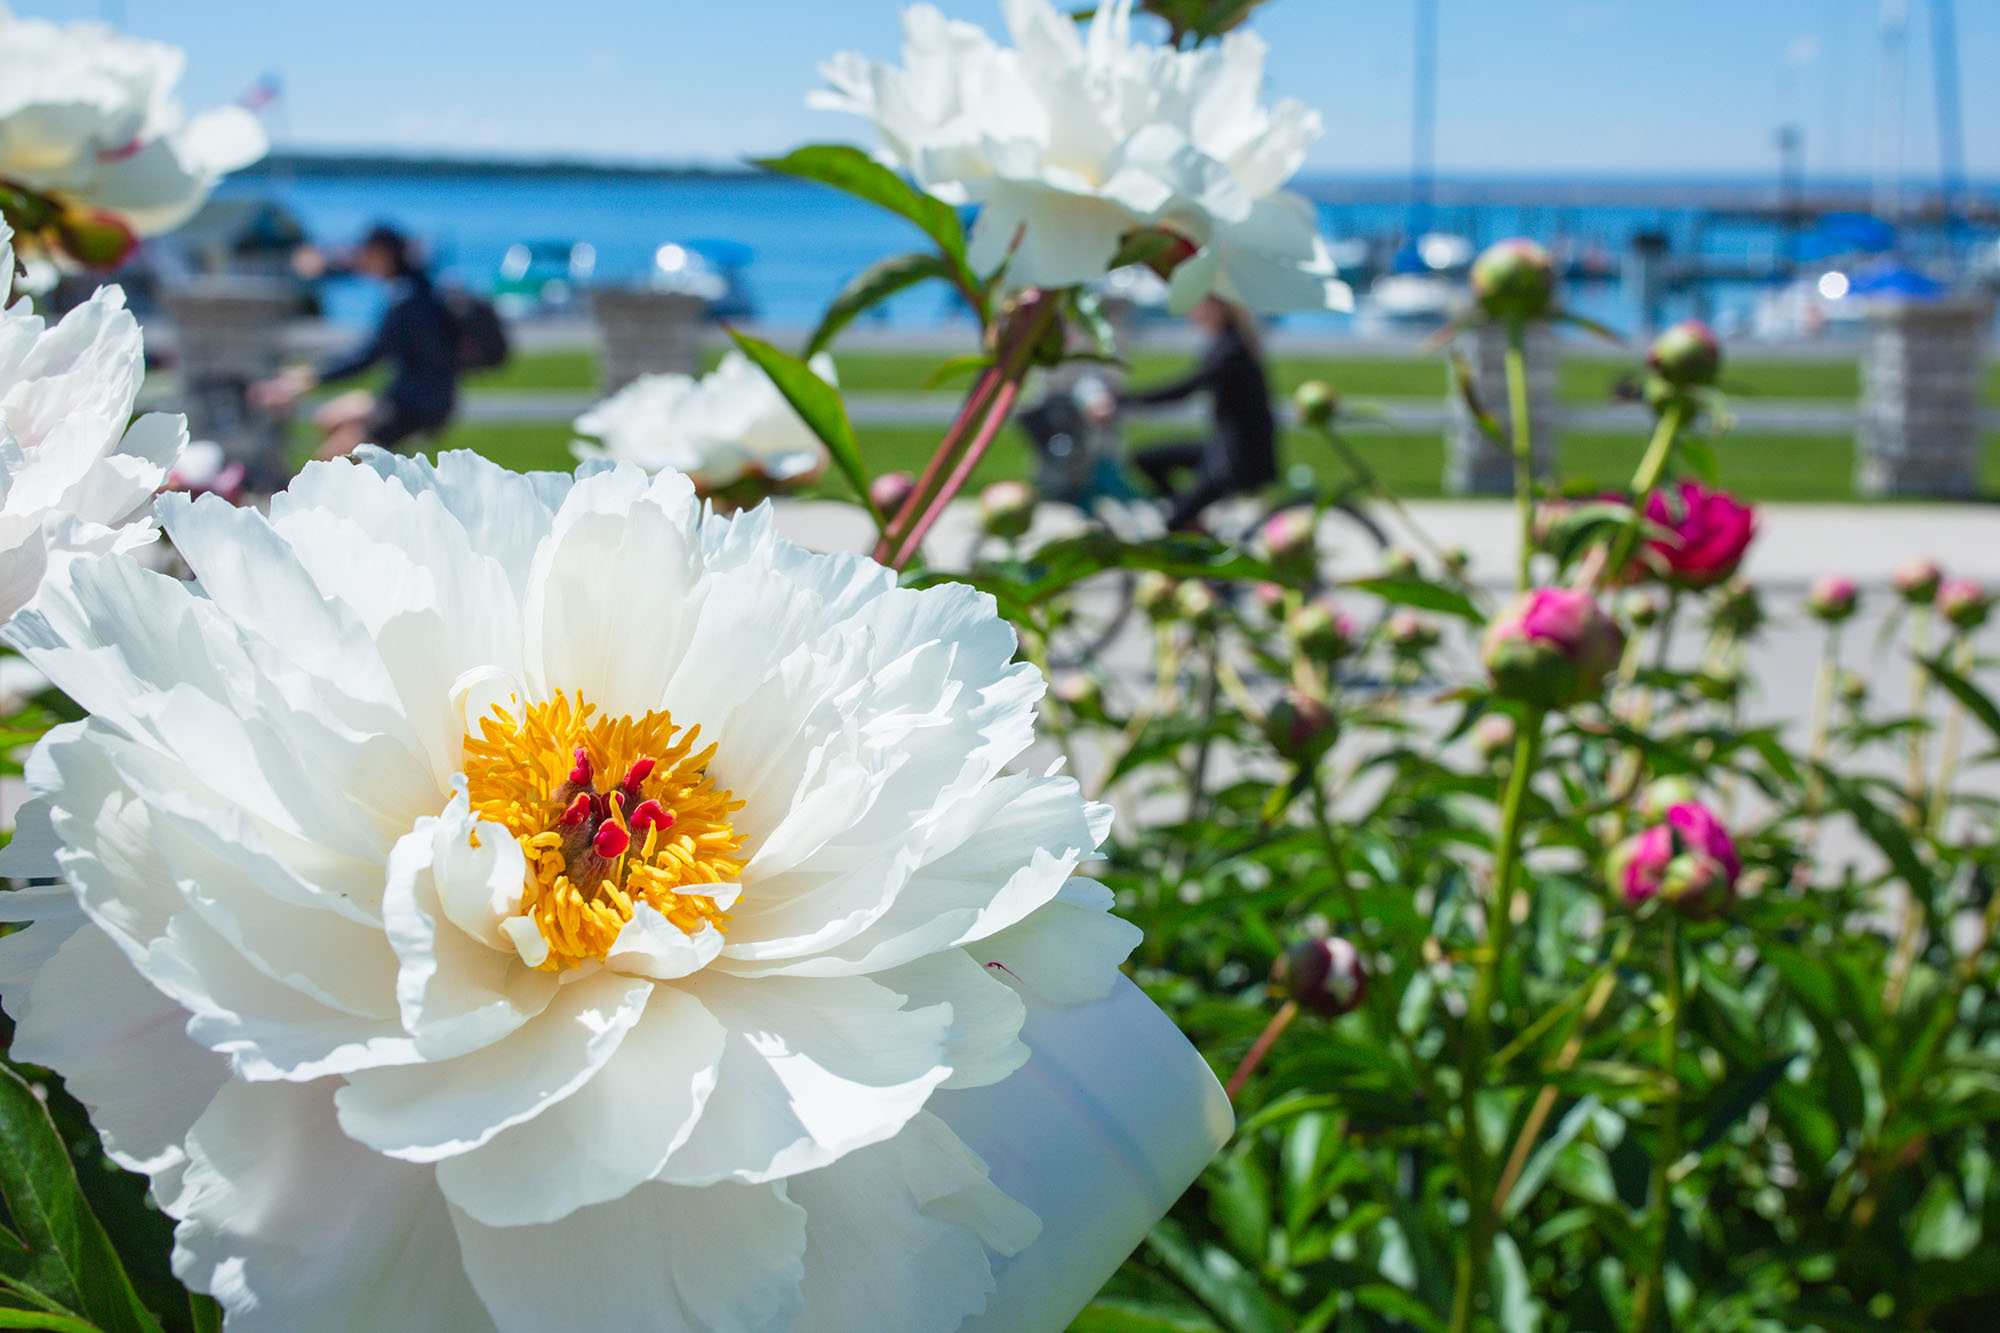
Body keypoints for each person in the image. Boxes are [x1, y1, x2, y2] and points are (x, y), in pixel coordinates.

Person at [250, 224, 457, 460]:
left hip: (414, 406)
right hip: (419, 398)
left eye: (367, 253)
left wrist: (310, 377)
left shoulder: (406, 301)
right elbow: (352, 269)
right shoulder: (416, 288)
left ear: (383, 254)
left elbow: (369, 355)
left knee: (331, 461)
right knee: (329, 418)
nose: (362, 259)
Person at [1100, 295, 1276, 531]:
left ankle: (1187, 524)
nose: (1193, 310)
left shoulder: (1232, 349)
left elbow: (1186, 389)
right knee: (1144, 459)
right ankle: (1190, 518)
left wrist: (1122, 401)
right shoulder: (1225, 344)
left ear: (1221, 309)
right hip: (1220, 449)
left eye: (1200, 304)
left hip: (1237, 460)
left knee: (1171, 524)